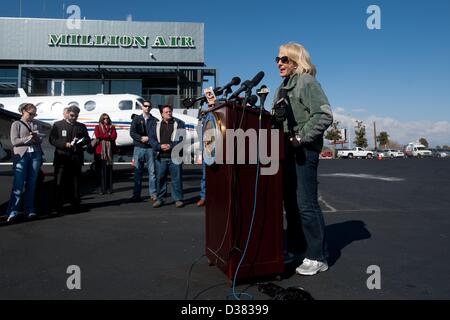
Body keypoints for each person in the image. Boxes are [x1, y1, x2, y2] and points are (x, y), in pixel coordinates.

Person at [272, 42, 333, 275]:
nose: (279, 63)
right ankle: (298, 249)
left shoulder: (306, 82)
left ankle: (317, 256)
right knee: (291, 204)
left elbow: (324, 114)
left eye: (284, 59)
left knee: (306, 204)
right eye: (277, 59)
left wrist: (301, 137)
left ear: (296, 60)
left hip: (303, 151)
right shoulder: (282, 87)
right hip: (285, 152)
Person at [49, 105, 90, 214]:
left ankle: (75, 203)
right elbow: (52, 140)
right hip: (62, 157)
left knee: (75, 182)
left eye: (76, 116)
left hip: (75, 158)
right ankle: (57, 205)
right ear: (67, 113)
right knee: (59, 181)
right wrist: (64, 144)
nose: (73, 118)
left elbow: (87, 139)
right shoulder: (58, 125)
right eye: (72, 115)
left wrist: (79, 142)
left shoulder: (81, 126)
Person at [6, 103, 43, 222]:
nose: (32, 116)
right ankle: (12, 211)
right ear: (23, 111)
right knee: (18, 184)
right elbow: (14, 141)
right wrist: (28, 138)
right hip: (22, 155)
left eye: (34, 114)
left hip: (35, 154)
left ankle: (29, 209)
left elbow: (40, 140)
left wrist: (37, 137)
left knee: (31, 183)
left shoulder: (37, 123)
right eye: (30, 113)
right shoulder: (16, 124)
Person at [149, 105, 185, 208]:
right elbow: (151, 139)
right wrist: (159, 146)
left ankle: (178, 199)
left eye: (170, 111)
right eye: (166, 112)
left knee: (176, 179)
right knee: (160, 179)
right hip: (161, 156)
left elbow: (182, 138)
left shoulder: (179, 124)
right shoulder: (155, 125)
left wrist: (171, 146)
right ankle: (160, 199)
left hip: (175, 156)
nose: (169, 113)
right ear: (162, 114)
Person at [129, 100, 158, 202]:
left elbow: (156, 134)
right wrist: (141, 138)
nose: (147, 108)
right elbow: (132, 132)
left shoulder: (155, 120)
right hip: (138, 148)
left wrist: (149, 138)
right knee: (137, 172)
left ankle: (153, 194)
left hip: (150, 149)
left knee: (152, 173)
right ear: (142, 107)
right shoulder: (136, 119)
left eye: (149, 106)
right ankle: (136, 195)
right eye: (145, 106)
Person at [94, 113, 117, 194]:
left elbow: (114, 137)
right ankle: (101, 188)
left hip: (109, 152)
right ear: (101, 119)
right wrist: (108, 135)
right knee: (100, 171)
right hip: (100, 151)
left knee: (109, 170)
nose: (106, 119)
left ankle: (108, 188)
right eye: (104, 118)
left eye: (107, 118)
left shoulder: (112, 127)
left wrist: (104, 136)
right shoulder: (97, 127)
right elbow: (97, 135)